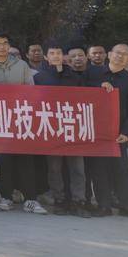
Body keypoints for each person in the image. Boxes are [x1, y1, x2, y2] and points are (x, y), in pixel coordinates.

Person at [0, 32, 46, 214]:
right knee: (3, 161)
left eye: (5, 43)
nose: (1, 46)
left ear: (9, 46)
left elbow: (31, 90)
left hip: (21, 118)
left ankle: (31, 199)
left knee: (26, 160)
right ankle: (6, 197)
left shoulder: (21, 65)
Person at [33, 43, 91, 217]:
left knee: (78, 168)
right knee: (54, 168)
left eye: (59, 52)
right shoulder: (39, 77)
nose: (56, 55)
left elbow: (86, 99)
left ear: (63, 56)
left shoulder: (75, 76)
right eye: (52, 53)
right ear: (46, 57)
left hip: (73, 127)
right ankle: (59, 200)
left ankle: (79, 201)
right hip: (51, 128)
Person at [87, 44, 128, 218]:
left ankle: (126, 205)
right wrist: (98, 86)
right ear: (109, 54)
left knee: (121, 169)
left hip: (118, 133)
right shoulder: (93, 74)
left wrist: (127, 132)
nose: (120, 56)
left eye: (125, 54)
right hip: (95, 130)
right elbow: (81, 92)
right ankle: (103, 205)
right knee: (99, 169)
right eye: (118, 53)